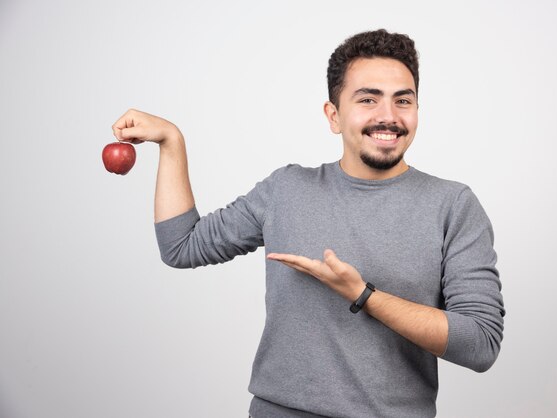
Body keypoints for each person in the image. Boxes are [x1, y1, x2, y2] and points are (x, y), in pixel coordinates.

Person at [112, 29, 505, 418]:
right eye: (368, 99)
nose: (388, 116)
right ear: (333, 116)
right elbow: (181, 247)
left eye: (403, 101)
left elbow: (480, 344)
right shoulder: (286, 189)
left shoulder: (453, 205)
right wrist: (171, 142)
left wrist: (363, 295)